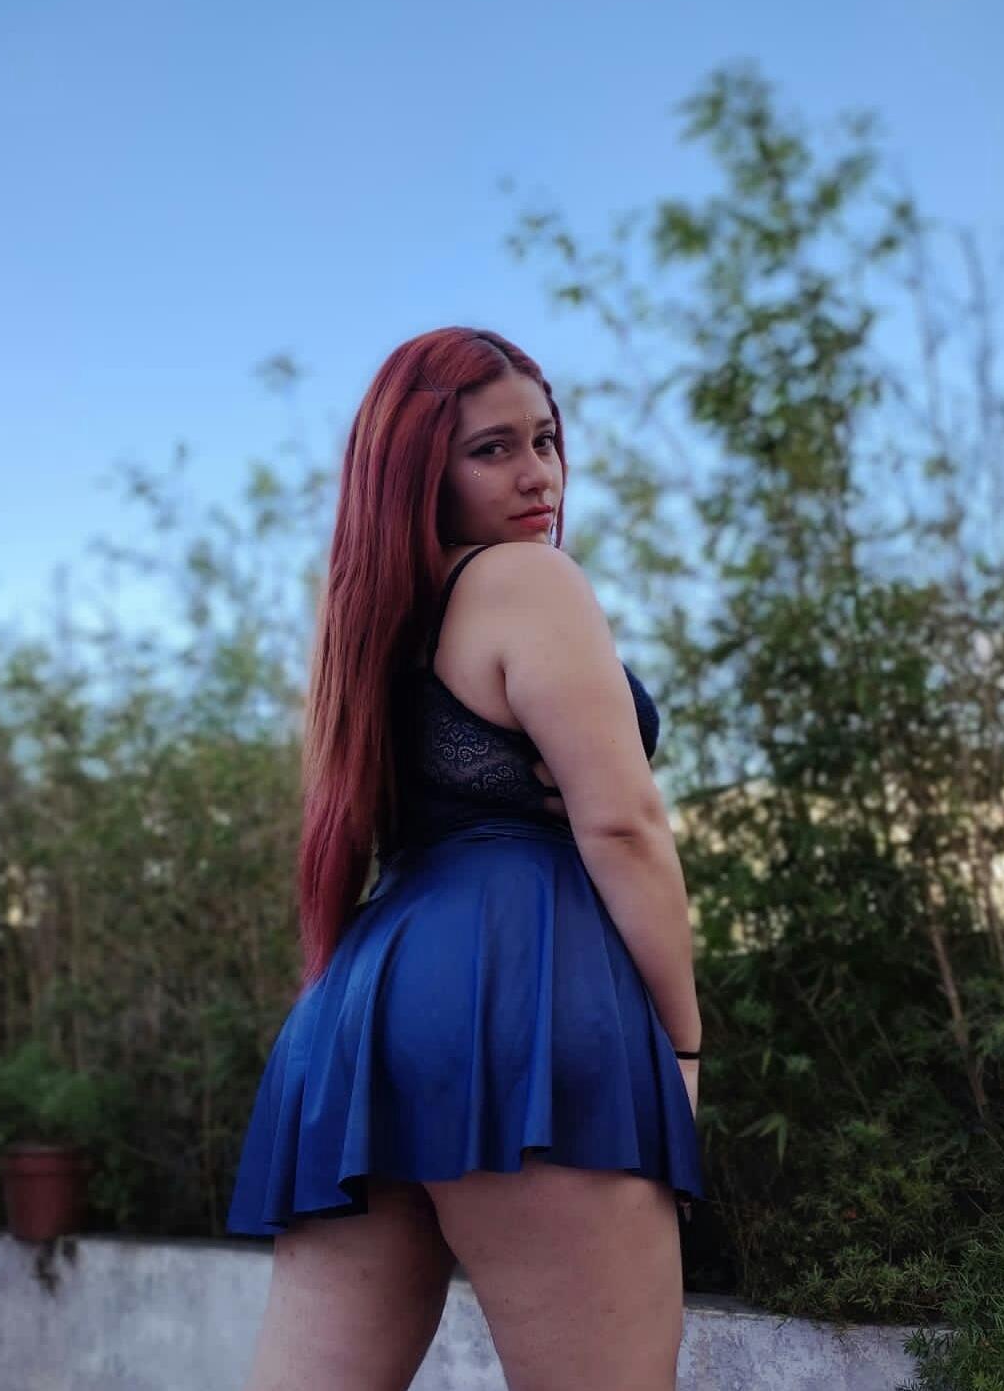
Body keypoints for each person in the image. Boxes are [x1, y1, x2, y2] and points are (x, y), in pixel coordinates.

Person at [226, 326, 705, 1391]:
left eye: (546, 439)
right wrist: (682, 1046)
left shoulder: (368, 627)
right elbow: (624, 826)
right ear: (418, 470)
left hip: (359, 1013)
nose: (539, 474)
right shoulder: (527, 581)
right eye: (493, 449)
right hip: (521, 993)